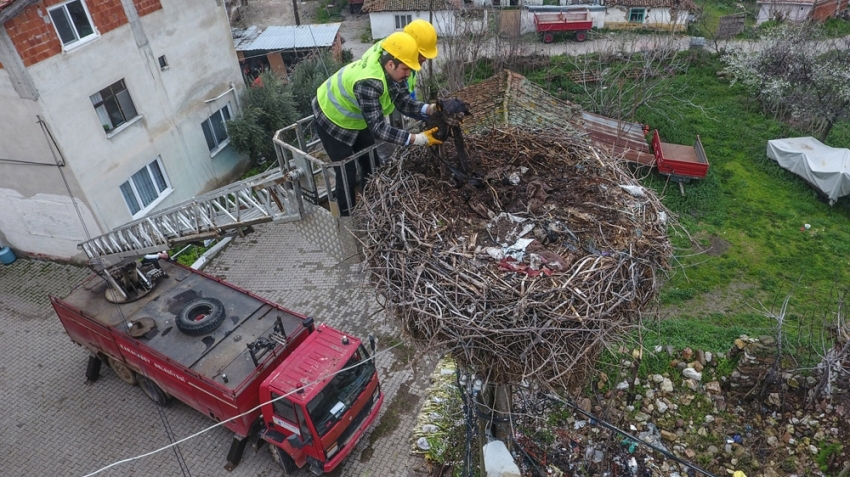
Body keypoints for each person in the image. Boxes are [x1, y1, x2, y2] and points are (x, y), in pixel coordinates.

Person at [312, 31, 442, 216]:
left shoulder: (392, 60)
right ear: (391, 64)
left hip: (357, 117)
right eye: (406, 69)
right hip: (331, 117)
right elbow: (379, 129)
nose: (409, 74)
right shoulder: (370, 82)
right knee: (346, 172)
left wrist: (429, 110)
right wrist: (418, 139)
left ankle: (368, 207)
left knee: (371, 163)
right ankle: (346, 218)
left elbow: (403, 101)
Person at [361, 19, 439, 101]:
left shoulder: (404, 55)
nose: (424, 58)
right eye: (421, 54)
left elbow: (406, 96)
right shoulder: (389, 60)